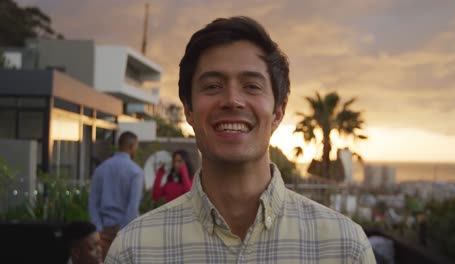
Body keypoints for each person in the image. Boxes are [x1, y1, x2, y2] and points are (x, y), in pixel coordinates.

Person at [106, 16, 375, 263]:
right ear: (188, 109)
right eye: (213, 86)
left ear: (278, 111)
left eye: (251, 86)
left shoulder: (344, 248)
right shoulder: (135, 251)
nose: (232, 100)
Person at [88, 131, 143, 259]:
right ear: (132, 146)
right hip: (125, 234)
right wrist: (123, 232)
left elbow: (93, 202)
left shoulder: (101, 169)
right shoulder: (136, 172)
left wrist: (98, 228)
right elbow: (132, 208)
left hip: (103, 232)